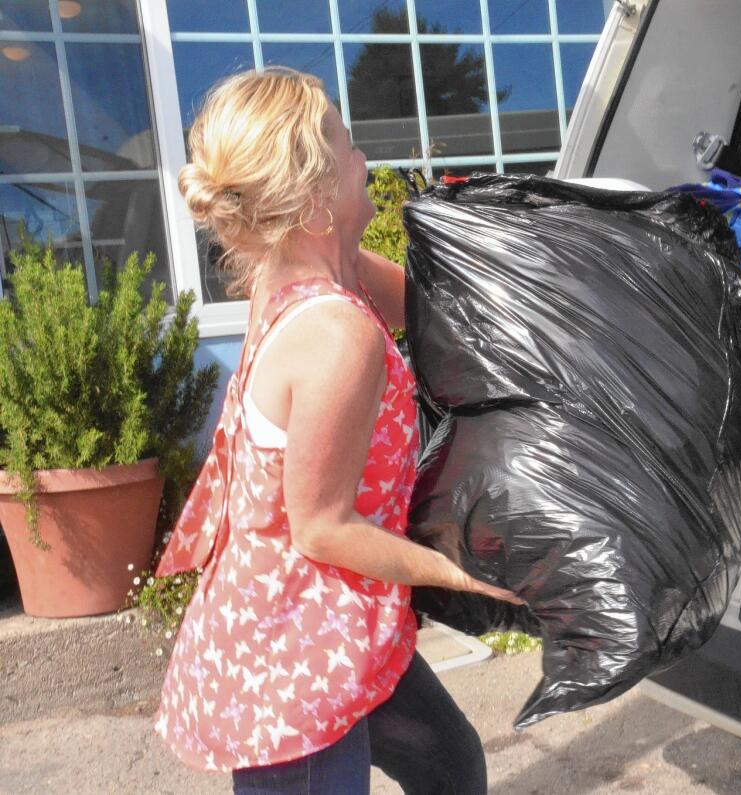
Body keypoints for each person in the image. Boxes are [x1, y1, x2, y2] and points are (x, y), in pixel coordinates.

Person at [152, 66, 521, 794]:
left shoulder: (308, 271)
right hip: (290, 661)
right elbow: (321, 527)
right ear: (317, 198)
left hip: (339, 622)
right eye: (350, 149)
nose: (366, 162)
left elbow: (428, 311)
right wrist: (460, 573)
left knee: (450, 762)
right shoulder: (334, 336)